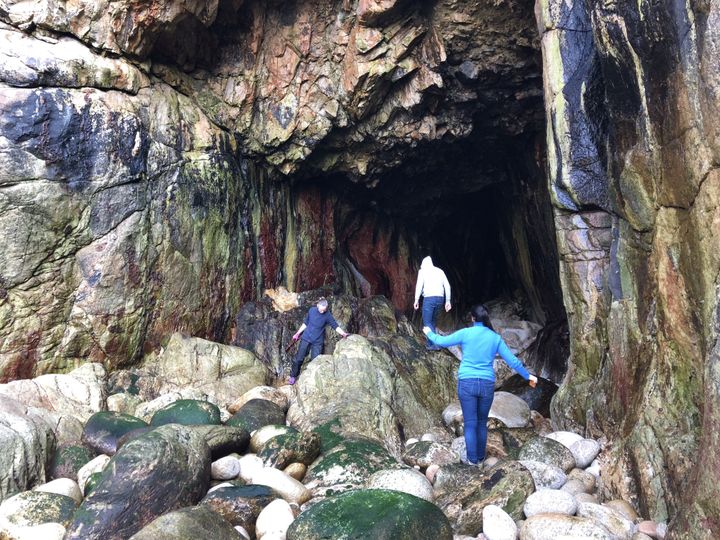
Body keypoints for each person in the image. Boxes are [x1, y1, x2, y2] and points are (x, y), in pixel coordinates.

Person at [423, 304, 538, 466]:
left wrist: (429, 332)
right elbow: (512, 361)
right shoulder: (495, 338)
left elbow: (441, 341)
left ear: (472, 318)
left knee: (470, 423)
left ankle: (473, 461)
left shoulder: (465, 333)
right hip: (486, 384)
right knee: (481, 422)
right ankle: (481, 458)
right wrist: (529, 376)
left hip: (467, 382)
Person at [289, 297, 349, 385]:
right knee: (298, 359)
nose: (322, 312)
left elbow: (335, 326)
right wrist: (297, 333)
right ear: (318, 305)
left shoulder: (327, 315)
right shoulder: (312, 310)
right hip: (306, 337)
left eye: (324, 310)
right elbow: (306, 323)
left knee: (315, 362)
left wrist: (343, 333)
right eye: (321, 310)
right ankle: (293, 376)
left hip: (317, 342)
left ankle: (312, 379)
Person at [414, 256, 452, 350]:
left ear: (423, 265)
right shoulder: (440, 271)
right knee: (433, 321)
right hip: (440, 298)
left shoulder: (422, 271)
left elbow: (419, 286)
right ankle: (430, 343)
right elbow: (447, 286)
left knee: (427, 322)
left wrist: (416, 300)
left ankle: (435, 343)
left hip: (429, 298)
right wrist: (448, 301)